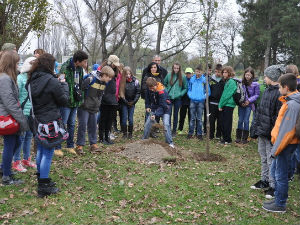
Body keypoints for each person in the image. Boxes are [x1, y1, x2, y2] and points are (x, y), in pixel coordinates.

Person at [27, 53, 69, 197]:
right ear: (50, 65)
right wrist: (64, 85)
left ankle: (42, 178)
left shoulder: (32, 79)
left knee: (41, 150)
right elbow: (64, 100)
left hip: (37, 119)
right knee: (48, 152)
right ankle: (43, 186)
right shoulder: (52, 81)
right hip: (50, 120)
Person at [262, 73, 300, 213]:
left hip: (285, 145)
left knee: (280, 174)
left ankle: (280, 204)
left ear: (286, 87)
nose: (278, 89)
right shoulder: (290, 101)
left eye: (279, 87)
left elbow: (286, 132)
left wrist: (276, 149)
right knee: (274, 171)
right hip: (283, 144)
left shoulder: (292, 105)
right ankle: (278, 197)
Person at [250, 64, 285, 199]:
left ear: (272, 77)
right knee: (263, 157)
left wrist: (274, 134)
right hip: (262, 132)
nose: (264, 78)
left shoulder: (278, 93)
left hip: (271, 134)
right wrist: (255, 129)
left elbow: (278, 117)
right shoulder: (266, 91)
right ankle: (264, 180)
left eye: (265, 76)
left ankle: (273, 185)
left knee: (271, 160)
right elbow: (259, 112)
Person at [0, 51, 29, 185]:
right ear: (11, 64)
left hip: (11, 116)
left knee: (16, 142)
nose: (19, 65)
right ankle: (7, 176)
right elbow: (10, 103)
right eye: (17, 63)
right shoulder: (5, 79)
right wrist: (22, 120)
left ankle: (4, 169)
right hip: (8, 118)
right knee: (10, 144)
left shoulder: (8, 77)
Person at [55, 50, 88, 156]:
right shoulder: (65, 68)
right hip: (66, 102)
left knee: (72, 124)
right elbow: (60, 84)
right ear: (78, 61)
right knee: (62, 123)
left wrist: (80, 97)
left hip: (75, 102)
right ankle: (57, 147)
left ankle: (70, 145)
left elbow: (80, 83)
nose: (85, 64)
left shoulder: (80, 69)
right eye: (84, 61)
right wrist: (64, 98)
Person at [75, 66, 115, 154]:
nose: (110, 79)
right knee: (83, 125)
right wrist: (81, 102)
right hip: (84, 107)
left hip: (94, 107)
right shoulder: (91, 79)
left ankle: (93, 144)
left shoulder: (105, 83)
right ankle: (79, 145)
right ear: (104, 75)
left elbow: (100, 95)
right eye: (109, 77)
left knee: (93, 126)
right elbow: (80, 90)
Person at [12, 57, 37, 173]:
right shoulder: (20, 78)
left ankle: (26, 159)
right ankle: (16, 161)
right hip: (22, 112)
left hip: (32, 112)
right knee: (20, 138)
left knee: (28, 137)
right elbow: (16, 96)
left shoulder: (35, 78)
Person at [143, 77, 174, 148]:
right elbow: (147, 99)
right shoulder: (149, 89)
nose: (151, 90)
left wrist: (156, 114)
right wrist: (147, 106)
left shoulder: (162, 91)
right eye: (150, 88)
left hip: (166, 108)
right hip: (155, 107)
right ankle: (144, 140)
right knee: (148, 123)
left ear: (156, 84)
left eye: (153, 88)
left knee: (166, 124)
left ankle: (170, 142)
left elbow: (162, 105)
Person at [98, 55, 121, 145]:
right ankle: (101, 137)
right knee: (103, 119)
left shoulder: (115, 72)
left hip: (113, 99)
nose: (115, 66)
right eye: (114, 64)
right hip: (104, 99)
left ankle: (107, 137)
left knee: (110, 119)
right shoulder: (103, 70)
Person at [236, 67, 260, 144]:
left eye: (249, 75)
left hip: (249, 105)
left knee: (246, 120)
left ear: (252, 75)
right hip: (241, 104)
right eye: (246, 74)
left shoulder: (255, 84)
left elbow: (257, 94)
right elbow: (238, 92)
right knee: (240, 120)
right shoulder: (240, 82)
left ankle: (244, 138)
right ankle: (238, 137)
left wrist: (248, 101)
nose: (247, 76)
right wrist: (240, 102)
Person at [164, 63, 187, 136]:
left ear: (179, 69)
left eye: (177, 68)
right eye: (175, 68)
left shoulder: (182, 77)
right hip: (169, 98)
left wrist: (180, 94)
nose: (176, 69)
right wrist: (167, 91)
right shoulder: (168, 75)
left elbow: (185, 87)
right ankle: (168, 129)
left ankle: (174, 130)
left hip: (178, 99)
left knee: (176, 115)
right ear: (172, 68)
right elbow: (164, 84)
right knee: (169, 114)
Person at [187, 64, 209, 140]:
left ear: (202, 72)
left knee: (199, 118)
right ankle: (190, 133)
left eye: (199, 71)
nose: (198, 73)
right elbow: (189, 89)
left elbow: (208, 91)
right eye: (196, 71)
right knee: (192, 118)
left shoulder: (204, 80)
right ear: (195, 71)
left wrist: (202, 97)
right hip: (192, 100)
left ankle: (199, 134)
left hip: (200, 101)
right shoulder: (192, 79)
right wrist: (190, 95)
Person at [119, 66, 140, 139]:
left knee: (130, 119)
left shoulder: (135, 81)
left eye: (129, 74)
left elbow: (138, 92)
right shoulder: (122, 81)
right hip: (124, 103)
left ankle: (130, 133)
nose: (128, 75)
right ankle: (124, 133)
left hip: (132, 103)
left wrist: (134, 101)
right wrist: (125, 101)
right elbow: (121, 93)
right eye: (126, 74)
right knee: (124, 119)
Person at [218, 66, 237, 145]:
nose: (224, 74)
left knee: (227, 123)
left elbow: (226, 95)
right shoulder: (227, 81)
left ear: (229, 73)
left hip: (229, 105)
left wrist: (220, 105)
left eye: (226, 72)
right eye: (223, 72)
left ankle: (228, 140)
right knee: (223, 122)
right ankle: (224, 138)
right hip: (226, 104)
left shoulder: (231, 82)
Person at [208, 64, 224, 140]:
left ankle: (218, 135)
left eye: (219, 72)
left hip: (221, 104)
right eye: (216, 71)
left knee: (220, 120)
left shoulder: (224, 80)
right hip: (212, 103)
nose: (217, 73)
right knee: (212, 120)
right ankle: (211, 135)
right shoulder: (211, 80)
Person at [178, 68, 193, 134]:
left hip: (191, 101)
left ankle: (190, 130)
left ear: (192, 73)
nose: (188, 74)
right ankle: (180, 129)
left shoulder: (193, 80)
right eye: (187, 73)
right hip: (183, 101)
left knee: (191, 117)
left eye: (189, 73)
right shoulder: (183, 79)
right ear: (185, 73)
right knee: (182, 116)